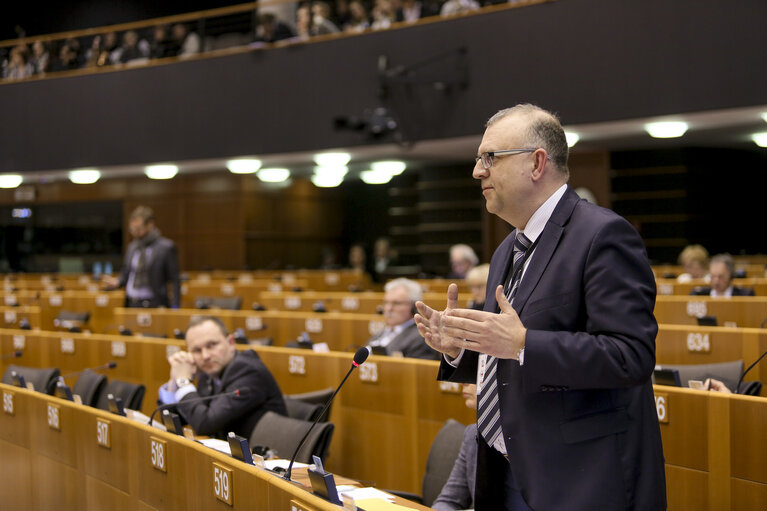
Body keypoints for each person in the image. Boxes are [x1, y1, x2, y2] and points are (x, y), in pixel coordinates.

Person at [415, 104, 666, 510]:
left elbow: (631, 356)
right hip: (511, 468)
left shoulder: (603, 235)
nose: (478, 171)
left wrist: (523, 343)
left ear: (536, 163)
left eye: (490, 158)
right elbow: (507, 349)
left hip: (582, 479)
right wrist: (461, 348)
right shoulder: (505, 251)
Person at [158, 316, 287, 438]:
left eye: (211, 345)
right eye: (197, 350)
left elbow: (205, 424)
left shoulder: (248, 372)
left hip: (268, 457)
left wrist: (184, 382)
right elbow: (174, 421)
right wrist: (174, 382)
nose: (205, 356)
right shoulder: (208, 374)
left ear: (231, 343)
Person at [103, 205, 181, 308]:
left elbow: (175, 280)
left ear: (150, 225)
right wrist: (118, 281)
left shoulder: (165, 247)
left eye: (139, 228)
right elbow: (127, 272)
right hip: (132, 302)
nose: (135, 233)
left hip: (155, 303)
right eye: (132, 229)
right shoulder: (132, 247)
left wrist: (175, 306)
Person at [368, 278, 440, 359]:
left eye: (396, 303)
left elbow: (415, 370)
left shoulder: (422, 337)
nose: (388, 308)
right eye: (386, 302)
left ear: (414, 307)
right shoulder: (381, 333)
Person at [432, 384, 478, 511]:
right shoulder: (473, 435)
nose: (464, 382)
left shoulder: (533, 439)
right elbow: (448, 501)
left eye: (475, 372)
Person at [690, 253, 755, 297]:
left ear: (731, 276)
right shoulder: (698, 294)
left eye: (720, 277)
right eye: (713, 276)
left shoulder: (745, 295)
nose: (716, 281)